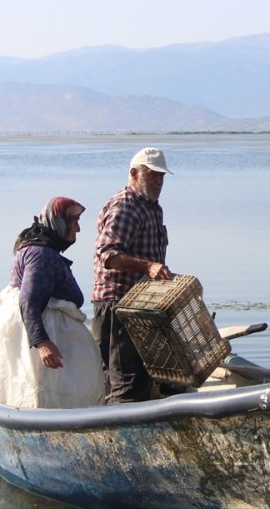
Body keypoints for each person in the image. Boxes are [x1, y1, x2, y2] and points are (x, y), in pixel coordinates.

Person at [0, 196, 103, 409]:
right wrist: (42, 343)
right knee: (45, 394)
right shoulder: (41, 255)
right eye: (74, 222)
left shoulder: (34, 245)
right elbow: (29, 301)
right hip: (45, 332)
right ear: (59, 222)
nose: (79, 229)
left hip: (40, 328)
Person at [91, 146, 173, 402]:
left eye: (161, 176)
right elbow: (108, 256)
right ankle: (115, 435)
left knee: (147, 379)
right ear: (134, 173)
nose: (159, 181)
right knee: (125, 386)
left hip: (140, 306)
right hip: (117, 307)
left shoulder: (151, 207)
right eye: (152, 175)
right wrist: (148, 267)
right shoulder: (125, 207)